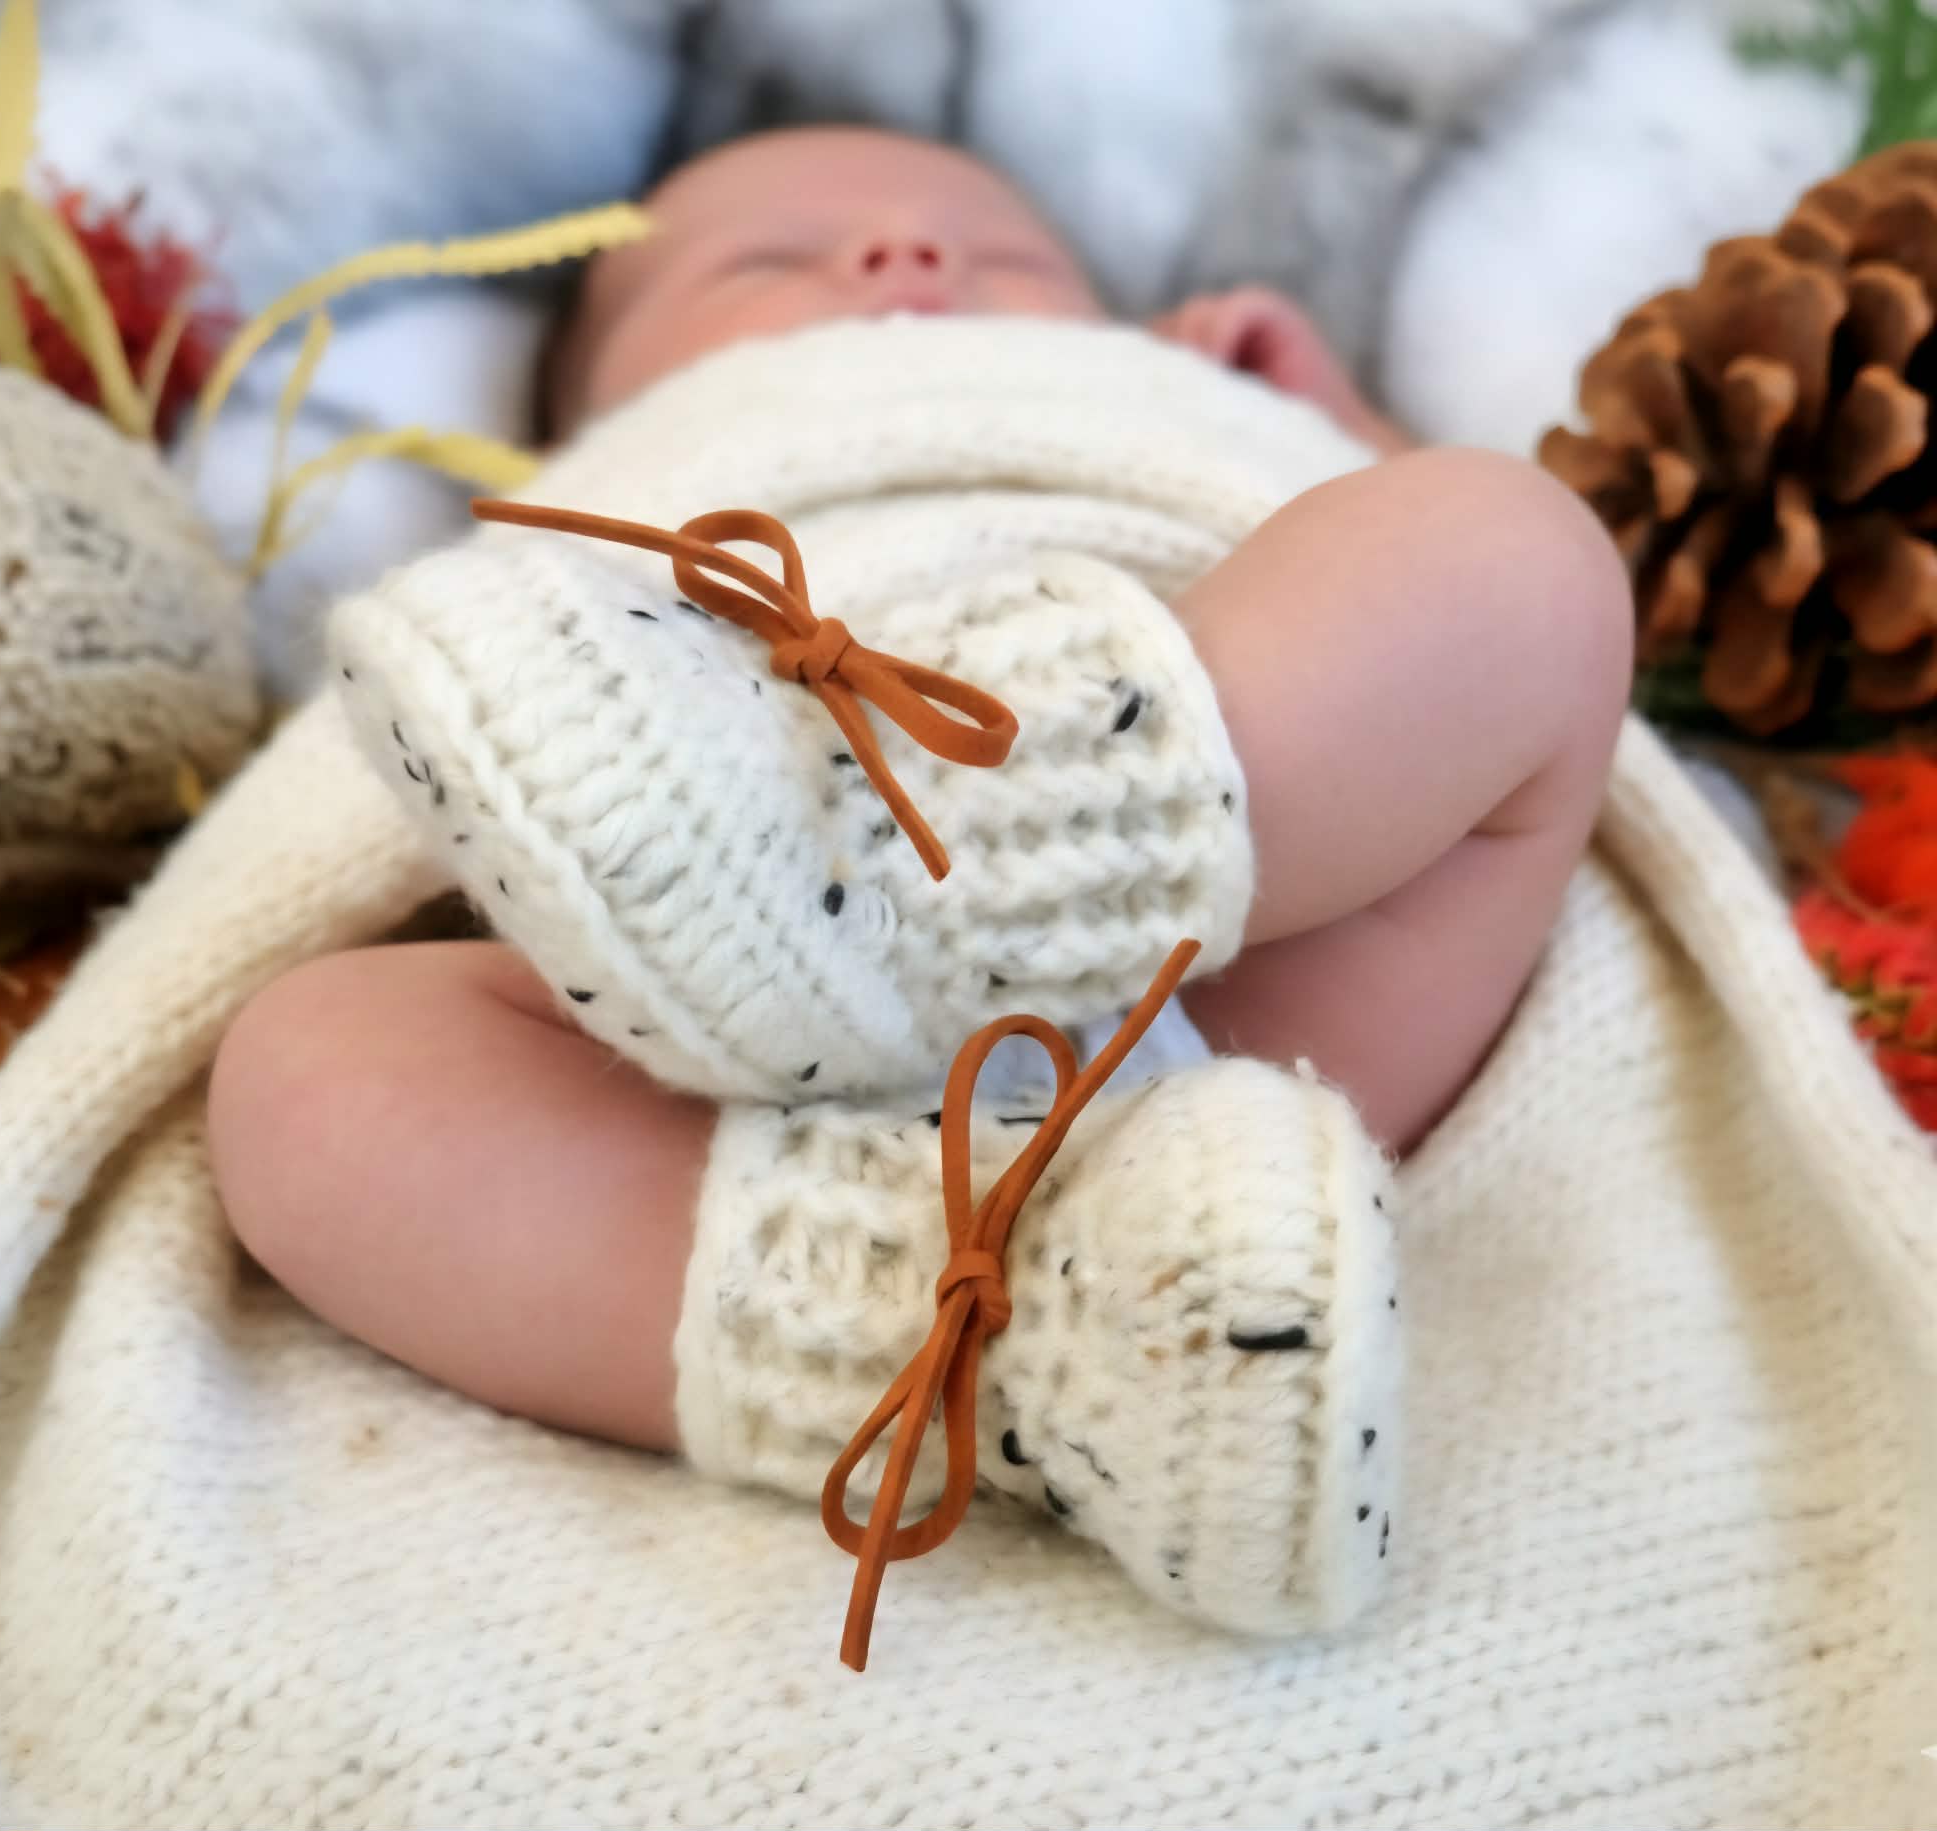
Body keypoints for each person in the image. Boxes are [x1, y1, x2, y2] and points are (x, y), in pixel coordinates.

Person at [207, 126, 1631, 1650]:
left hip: (1255, 970)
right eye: (765, 262)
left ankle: (874, 878)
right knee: (306, 1086)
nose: (903, 253)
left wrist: (1333, 423)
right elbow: (458, 759)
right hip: (729, 1103)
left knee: (1508, 549)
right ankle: (1063, 1345)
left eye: (1006, 253)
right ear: (584, 422)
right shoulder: (605, 518)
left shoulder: (1161, 407)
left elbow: (1384, 611)